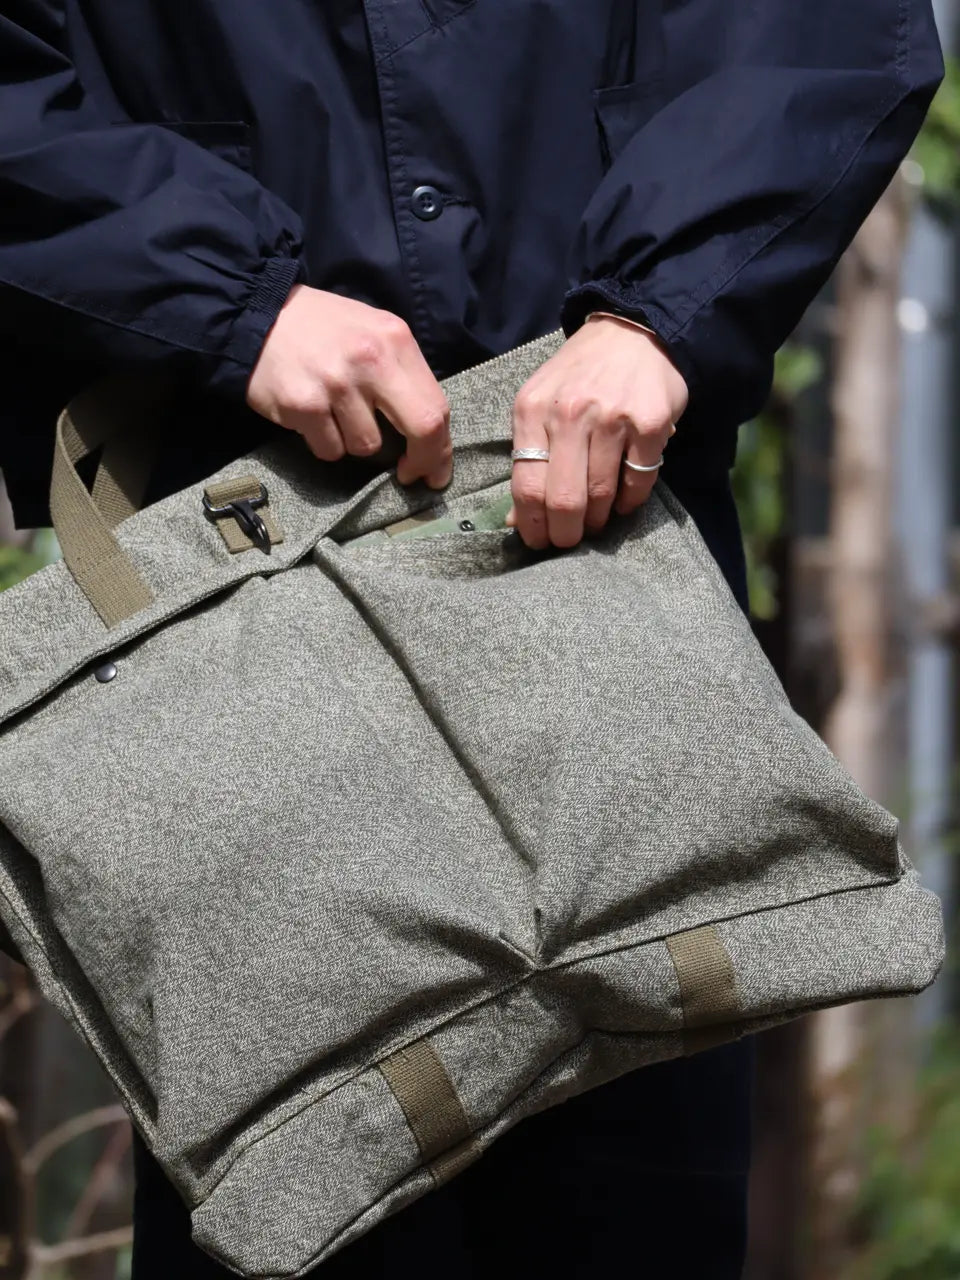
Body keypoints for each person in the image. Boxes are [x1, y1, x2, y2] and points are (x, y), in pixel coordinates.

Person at [0, 1, 942, 1276]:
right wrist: (230, 293)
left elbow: (819, 26)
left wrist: (654, 310)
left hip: (599, 520)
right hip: (230, 607)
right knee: (297, 1172)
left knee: (636, 1189)